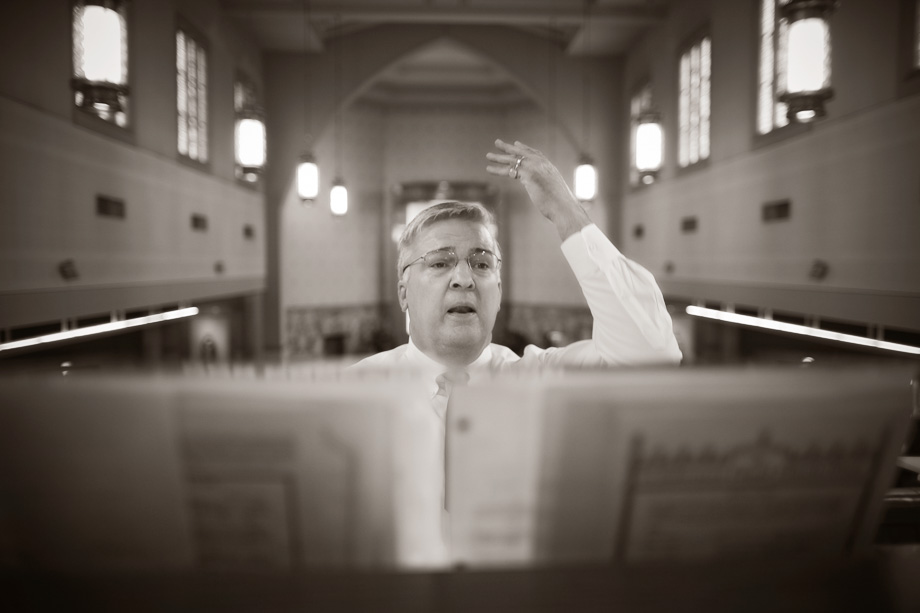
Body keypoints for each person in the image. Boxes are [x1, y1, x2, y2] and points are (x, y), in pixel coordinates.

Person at [351, 138, 682, 385]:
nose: (463, 278)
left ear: (498, 290)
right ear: (403, 293)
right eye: (439, 263)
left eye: (481, 264)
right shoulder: (356, 390)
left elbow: (651, 357)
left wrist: (565, 210)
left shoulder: (541, 380)